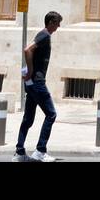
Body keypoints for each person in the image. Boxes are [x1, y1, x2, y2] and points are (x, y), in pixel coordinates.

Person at [15, 11, 62, 162]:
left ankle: (19, 153)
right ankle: (40, 151)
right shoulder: (44, 35)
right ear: (50, 23)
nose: (58, 26)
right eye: (57, 23)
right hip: (37, 83)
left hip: (32, 84)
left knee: (28, 118)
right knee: (51, 114)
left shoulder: (42, 35)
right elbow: (27, 50)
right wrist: (30, 71)